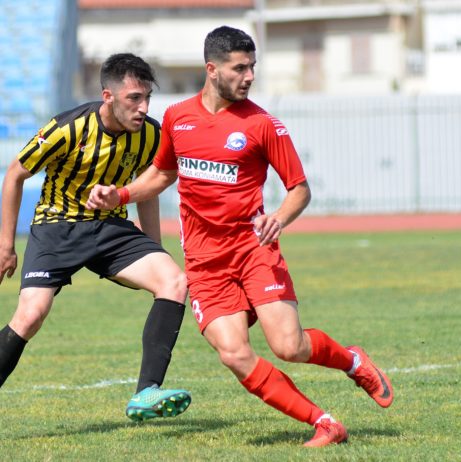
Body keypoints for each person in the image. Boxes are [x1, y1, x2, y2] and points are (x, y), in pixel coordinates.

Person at [87, 27, 394, 447]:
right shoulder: (177, 117)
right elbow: (162, 174)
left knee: (289, 346)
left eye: (252, 67)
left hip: (254, 251)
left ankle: (352, 361)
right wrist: (119, 195)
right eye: (239, 68)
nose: (249, 76)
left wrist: (279, 218)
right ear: (212, 70)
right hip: (204, 263)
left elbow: (299, 189)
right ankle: (324, 423)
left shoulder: (263, 124)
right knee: (233, 353)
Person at [0, 53, 191, 422]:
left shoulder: (151, 134)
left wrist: (154, 247)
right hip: (56, 227)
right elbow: (15, 175)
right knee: (30, 315)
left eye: (147, 98)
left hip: (110, 228)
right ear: (108, 96)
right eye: (134, 98)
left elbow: (146, 189)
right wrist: (6, 247)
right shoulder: (68, 128)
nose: (143, 107)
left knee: (174, 281)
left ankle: (146, 393)